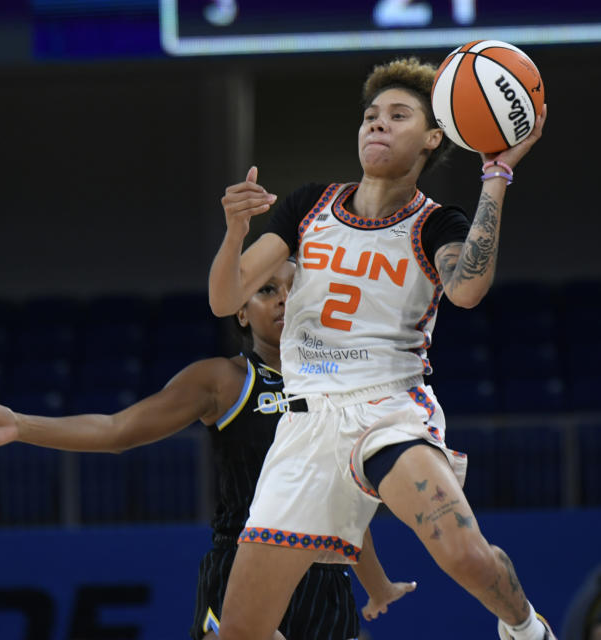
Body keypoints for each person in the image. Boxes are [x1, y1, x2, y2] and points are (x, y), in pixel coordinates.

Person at [206, 57, 551, 640]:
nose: (377, 125)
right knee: (240, 631)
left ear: (434, 136)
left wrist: (496, 177)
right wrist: (235, 232)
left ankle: (526, 629)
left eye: (397, 115)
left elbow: (466, 290)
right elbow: (224, 299)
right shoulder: (309, 205)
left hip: (388, 408)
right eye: (370, 116)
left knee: (465, 556)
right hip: (305, 422)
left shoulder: (435, 224)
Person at [0, 259, 415, 640]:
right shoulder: (224, 380)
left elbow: (343, 504)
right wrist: (21, 424)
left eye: (295, 289)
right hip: (244, 565)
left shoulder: (341, 389)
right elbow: (117, 430)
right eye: (268, 290)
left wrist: (377, 584)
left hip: (325, 580)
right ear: (241, 310)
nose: (285, 300)